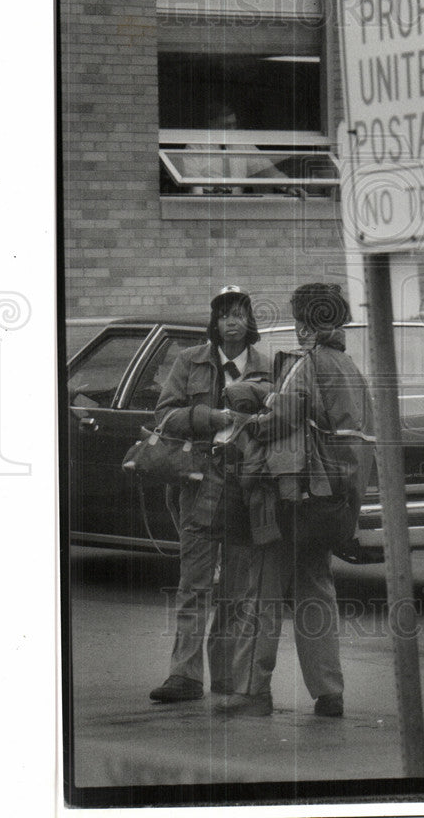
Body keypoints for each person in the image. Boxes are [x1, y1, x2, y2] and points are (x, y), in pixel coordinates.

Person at [217, 283, 375, 718]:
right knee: (316, 592)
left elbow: (278, 422)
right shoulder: (351, 369)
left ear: (307, 322)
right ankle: (329, 693)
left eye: (300, 318)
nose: (299, 327)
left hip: (290, 497)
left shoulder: (305, 366)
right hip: (332, 503)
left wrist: (248, 408)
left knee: (263, 592)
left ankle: (252, 691)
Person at [148, 286, 272, 703]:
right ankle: (183, 676)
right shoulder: (189, 361)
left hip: (246, 487)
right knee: (194, 582)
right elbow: (163, 416)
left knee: (238, 588)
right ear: (214, 322)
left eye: (238, 314)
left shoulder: (268, 366)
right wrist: (208, 416)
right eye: (223, 315)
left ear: (250, 321)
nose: (230, 322)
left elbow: (282, 420)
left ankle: (225, 676)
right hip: (199, 485)